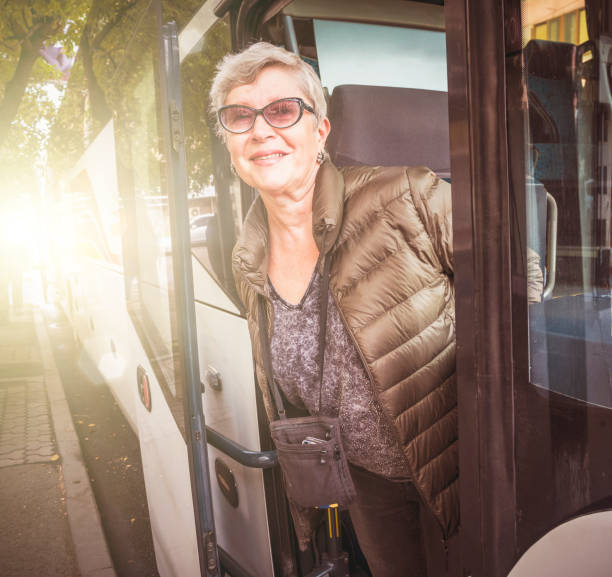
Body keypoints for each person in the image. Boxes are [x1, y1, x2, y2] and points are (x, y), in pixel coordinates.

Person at [210, 42, 457, 577]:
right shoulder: (247, 256)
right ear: (229, 140)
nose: (260, 130)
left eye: (282, 110)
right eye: (239, 116)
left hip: (456, 473)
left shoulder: (407, 196)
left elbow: (521, 278)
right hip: (365, 484)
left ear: (319, 131)